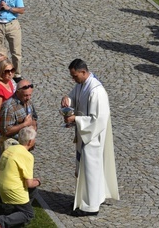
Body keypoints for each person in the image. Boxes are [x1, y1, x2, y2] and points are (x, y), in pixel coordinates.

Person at [61, 59, 119, 216]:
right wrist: (67, 99)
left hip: (93, 138)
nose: (73, 79)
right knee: (83, 170)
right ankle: (83, 200)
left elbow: (98, 119)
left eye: (74, 76)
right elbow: (74, 97)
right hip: (84, 136)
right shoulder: (81, 85)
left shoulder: (96, 91)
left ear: (83, 72)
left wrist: (76, 120)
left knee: (91, 172)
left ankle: (91, 206)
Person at [0, 127, 40, 228]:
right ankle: (1, 221)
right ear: (30, 141)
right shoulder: (27, 156)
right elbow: (29, 183)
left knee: (33, 191)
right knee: (29, 214)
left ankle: (14, 211)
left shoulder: (10, 149)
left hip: (0, 184)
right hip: (12, 189)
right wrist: (38, 181)